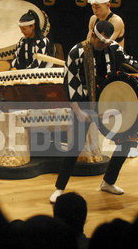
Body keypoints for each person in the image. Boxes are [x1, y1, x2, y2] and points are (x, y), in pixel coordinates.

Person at [50, 20, 138, 203]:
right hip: (84, 105)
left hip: (111, 104)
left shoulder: (113, 48)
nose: (104, 45)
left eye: (106, 43)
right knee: (76, 145)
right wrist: (77, 111)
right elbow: (70, 84)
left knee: (127, 141)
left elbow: (130, 64)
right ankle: (59, 188)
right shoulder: (77, 52)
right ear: (92, 35)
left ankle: (108, 181)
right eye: (101, 42)